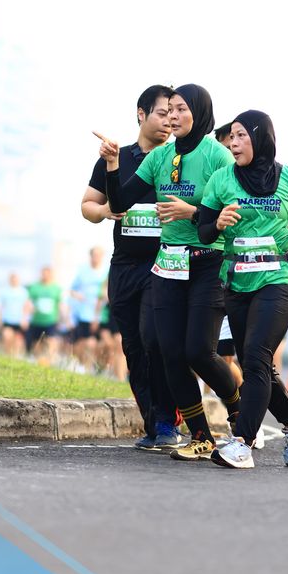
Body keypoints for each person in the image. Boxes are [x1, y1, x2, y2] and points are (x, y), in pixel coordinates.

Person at [103, 83, 240, 461]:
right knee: (165, 348)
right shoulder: (161, 156)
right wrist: (113, 165)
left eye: (181, 109)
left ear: (199, 113)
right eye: (170, 110)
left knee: (198, 351)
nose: (173, 117)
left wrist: (192, 212)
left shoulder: (217, 156)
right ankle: (201, 436)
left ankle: (240, 409)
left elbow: (233, 216)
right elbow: (120, 200)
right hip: (169, 262)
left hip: (208, 261)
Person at [198, 109, 288, 469]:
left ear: (261, 138)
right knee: (254, 362)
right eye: (231, 137)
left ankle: (242, 443)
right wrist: (218, 223)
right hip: (237, 280)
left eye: (241, 135)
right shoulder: (221, 179)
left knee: (256, 356)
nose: (233, 143)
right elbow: (204, 231)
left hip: (279, 278)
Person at [82, 84, 180, 448]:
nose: (169, 121)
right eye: (162, 113)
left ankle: (168, 422)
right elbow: (88, 206)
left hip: (165, 266)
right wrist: (106, 210)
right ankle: (153, 423)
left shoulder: (180, 161)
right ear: (141, 113)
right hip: (124, 267)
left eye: (174, 114)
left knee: (157, 341)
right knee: (135, 348)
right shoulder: (116, 158)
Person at [70, 247, 108, 372]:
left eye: (99, 255)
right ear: (90, 256)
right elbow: (72, 290)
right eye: (94, 255)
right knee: (84, 342)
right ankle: (82, 365)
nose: (96, 258)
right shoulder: (83, 272)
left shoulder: (106, 272)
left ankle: (96, 367)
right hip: (84, 313)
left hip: (102, 314)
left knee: (100, 343)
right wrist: (78, 296)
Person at [26, 267, 63, 363]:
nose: (45, 276)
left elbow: (60, 304)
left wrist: (61, 318)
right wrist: (26, 315)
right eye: (43, 273)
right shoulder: (35, 287)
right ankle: (37, 361)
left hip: (51, 320)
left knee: (51, 341)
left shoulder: (56, 288)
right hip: (37, 320)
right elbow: (29, 302)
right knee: (37, 343)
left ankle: (51, 361)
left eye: (47, 274)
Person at [0, 272, 28, 358]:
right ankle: (7, 356)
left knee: (17, 342)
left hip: (19, 320)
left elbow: (26, 306)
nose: (14, 281)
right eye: (12, 279)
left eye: (16, 279)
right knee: (7, 337)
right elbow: (1, 306)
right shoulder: (5, 291)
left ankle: (15, 357)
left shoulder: (23, 291)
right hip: (7, 319)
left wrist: (25, 319)